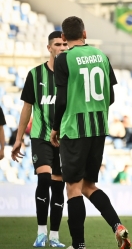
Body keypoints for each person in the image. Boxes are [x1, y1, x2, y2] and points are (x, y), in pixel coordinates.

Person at [50, 16, 132, 249]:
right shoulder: (102, 57)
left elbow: (62, 100)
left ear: (64, 38)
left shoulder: (63, 59)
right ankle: (117, 226)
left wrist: (55, 128)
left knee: (73, 188)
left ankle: (79, 245)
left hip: (75, 131)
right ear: (84, 34)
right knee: (88, 186)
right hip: (98, 129)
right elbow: (111, 96)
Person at [11, 31, 68, 247]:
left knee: (58, 187)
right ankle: (41, 232)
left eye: (64, 44)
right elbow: (27, 107)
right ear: (49, 48)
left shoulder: (72, 76)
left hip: (64, 139)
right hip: (41, 137)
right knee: (44, 179)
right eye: (57, 44)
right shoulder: (35, 75)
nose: (62, 47)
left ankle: (54, 236)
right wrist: (18, 138)